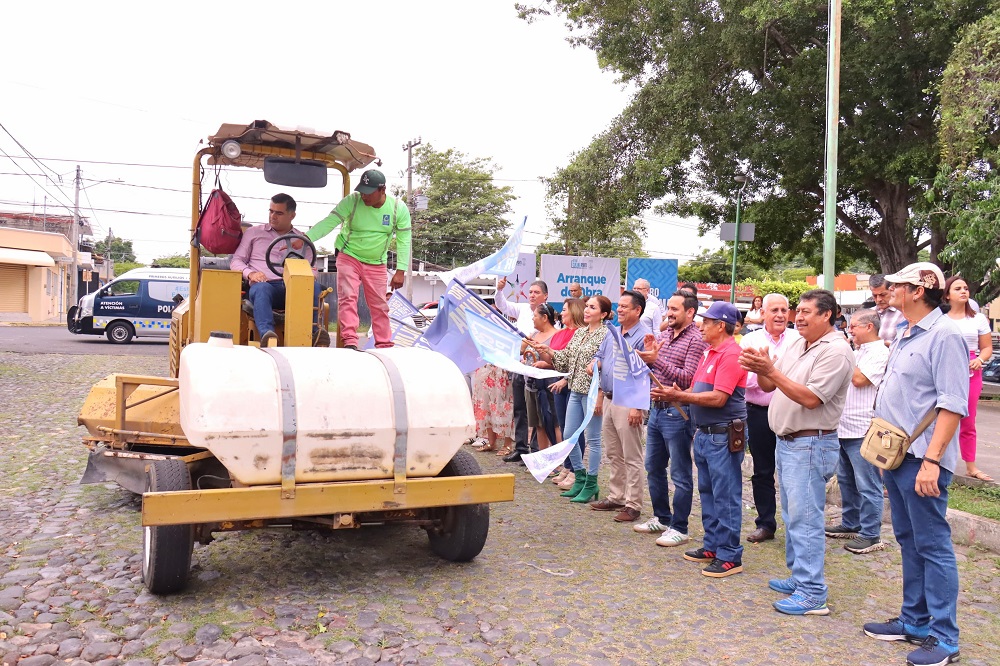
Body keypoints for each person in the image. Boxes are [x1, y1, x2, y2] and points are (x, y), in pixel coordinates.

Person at [861, 262, 968, 666]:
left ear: (918, 291)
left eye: (897, 286)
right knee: (909, 540)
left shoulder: (945, 336)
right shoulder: (908, 333)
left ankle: (944, 638)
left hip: (924, 460)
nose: (888, 291)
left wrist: (933, 462)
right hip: (897, 456)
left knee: (934, 545)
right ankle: (915, 621)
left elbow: (952, 405)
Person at [739, 289, 854, 616]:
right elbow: (767, 387)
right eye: (797, 311)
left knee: (806, 520)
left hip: (811, 443)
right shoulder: (796, 342)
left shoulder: (836, 351)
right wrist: (762, 367)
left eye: (806, 312)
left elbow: (810, 398)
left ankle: (813, 593)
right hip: (788, 443)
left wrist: (771, 371)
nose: (797, 317)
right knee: (792, 516)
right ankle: (799, 576)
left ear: (827, 315)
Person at [653, 301, 747, 578]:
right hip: (706, 433)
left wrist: (678, 396)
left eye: (706, 322)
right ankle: (713, 545)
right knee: (708, 492)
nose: (700, 325)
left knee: (726, 495)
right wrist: (677, 391)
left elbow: (719, 398)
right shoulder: (709, 352)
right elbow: (697, 388)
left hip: (723, 433)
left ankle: (730, 555)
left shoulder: (731, 354)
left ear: (721, 326)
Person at [306, 169, 411, 350]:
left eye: (369, 192)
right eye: (362, 191)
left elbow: (403, 241)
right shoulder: (353, 201)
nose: (364, 196)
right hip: (349, 256)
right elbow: (329, 221)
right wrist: (306, 238)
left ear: (382, 190)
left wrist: (401, 270)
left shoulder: (397, 209)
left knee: (379, 304)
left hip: (377, 262)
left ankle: (384, 344)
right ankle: (350, 341)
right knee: (348, 296)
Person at [633, 290, 707, 545]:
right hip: (656, 410)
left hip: (678, 412)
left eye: (675, 309)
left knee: (680, 473)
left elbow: (688, 379)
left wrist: (658, 360)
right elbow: (652, 369)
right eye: (669, 308)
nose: (669, 313)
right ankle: (662, 518)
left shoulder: (696, 340)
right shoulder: (663, 335)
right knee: (653, 466)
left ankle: (680, 527)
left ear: (690, 312)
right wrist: (648, 358)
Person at [532, 296, 614, 503]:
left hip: (593, 392)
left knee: (594, 439)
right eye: (586, 306)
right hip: (575, 389)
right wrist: (548, 351)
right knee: (569, 435)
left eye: (592, 307)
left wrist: (600, 395)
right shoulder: (579, 333)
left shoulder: (607, 335)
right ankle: (579, 476)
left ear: (603, 314)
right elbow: (565, 359)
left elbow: (608, 366)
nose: (586, 310)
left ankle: (592, 481)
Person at [738, 293, 801, 543]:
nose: (780, 315)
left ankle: (795, 527)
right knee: (763, 470)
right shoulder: (750, 340)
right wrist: (776, 375)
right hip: (759, 413)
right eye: (774, 310)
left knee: (791, 472)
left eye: (784, 310)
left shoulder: (798, 339)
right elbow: (747, 378)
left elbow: (799, 377)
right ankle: (765, 524)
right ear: (762, 313)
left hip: (792, 412)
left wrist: (768, 372)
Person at [824, 309, 889, 554]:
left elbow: (860, 379)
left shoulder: (880, 352)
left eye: (854, 326)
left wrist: (844, 354)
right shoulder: (857, 351)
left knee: (868, 483)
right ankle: (851, 523)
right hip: (843, 426)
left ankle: (871, 534)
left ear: (869, 327)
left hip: (863, 427)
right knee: (846, 480)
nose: (849, 330)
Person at [230, 193, 330, 348]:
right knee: (261, 288)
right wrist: (251, 274)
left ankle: (316, 334)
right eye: (271, 211)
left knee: (314, 287)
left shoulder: (302, 240)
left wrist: (305, 277)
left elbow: (313, 269)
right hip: (265, 286)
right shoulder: (254, 233)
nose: (273, 216)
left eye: (279, 213)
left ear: (292, 215)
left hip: (293, 288)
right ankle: (268, 335)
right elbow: (236, 261)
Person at [589, 290, 651, 522]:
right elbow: (600, 356)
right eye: (620, 305)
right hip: (609, 398)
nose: (621, 309)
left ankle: (633, 504)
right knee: (613, 452)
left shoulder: (644, 336)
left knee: (632, 455)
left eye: (626, 306)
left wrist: (637, 406)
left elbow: (644, 373)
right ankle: (617, 496)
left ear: (638, 310)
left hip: (629, 402)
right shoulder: (612, 332)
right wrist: (595, 363)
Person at [943, 275, 994, 481]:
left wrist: (980, 360)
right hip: (946, 369)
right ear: (947, 295)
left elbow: (987, 348)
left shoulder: (978, 318)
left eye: (965, 288)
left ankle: (971, 466)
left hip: (971, 371)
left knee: (968, 420)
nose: (964, 291)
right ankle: (935, 461)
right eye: (957, 289)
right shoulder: (940, 319)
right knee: (941, 417)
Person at [494, 277, 550, 463]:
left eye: (536, 293)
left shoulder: (548, 314)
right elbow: (502, 305)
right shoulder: (523, 309)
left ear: (545, 296)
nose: (532, 295)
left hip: (535, 367)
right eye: (531, 292)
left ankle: (535, 448)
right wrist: (499, 290)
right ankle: (520, 447)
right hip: (519, 364)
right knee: (519, 407)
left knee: (536, 410)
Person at [547, 298, 586, 487]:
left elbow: (577, 363)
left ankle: (575, 469)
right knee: (564, 427)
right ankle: (567, 464)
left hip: (572, 384)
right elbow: (555, 359)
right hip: (558, 381)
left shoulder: (579, 334)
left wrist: (565, 379)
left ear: (574, 312)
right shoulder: (560, 334)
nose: (561, 313)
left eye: (564, 310)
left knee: (574, 429)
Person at [522, 303, 559, 452]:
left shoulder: (556, 335)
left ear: (544, 318)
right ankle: (544, 458)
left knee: (553, 422)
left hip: (549, 385)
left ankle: (557, 459)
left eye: (535, 316)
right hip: (531, 384)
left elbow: (555, 361)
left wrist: (542, 357)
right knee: (539, 424)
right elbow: (523, 352)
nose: (532, 319)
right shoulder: (534, 334)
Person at [870, 273, 904, 347]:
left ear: (892, 290)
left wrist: (890, 345)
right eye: (875, 296)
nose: (878, 299)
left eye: (883, 295)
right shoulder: (868, 313)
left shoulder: (904, 314)